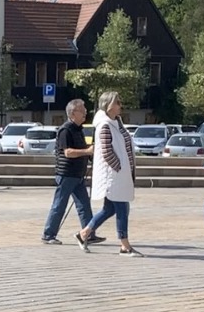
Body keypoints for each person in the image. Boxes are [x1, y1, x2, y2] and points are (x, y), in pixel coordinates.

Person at [76, 91, 142, 256]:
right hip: (114, 176)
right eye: (117, 102)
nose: (120, 105)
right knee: (122, 208)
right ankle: (124, 245)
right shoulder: (104, 125)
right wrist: (119, 168)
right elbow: (106, 151)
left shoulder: (117, 122)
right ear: (109, 105)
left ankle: (84, 233)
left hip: (122, 175)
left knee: (109, 209)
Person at [41, 98, 95, 244]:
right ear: (72, 113)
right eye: (82, 110)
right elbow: (68, 152)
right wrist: (87, 151)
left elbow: (83, 150)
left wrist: (90, 155)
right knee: (59, 205)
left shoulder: (79, 130)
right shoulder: (65, 130)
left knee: (84, 205)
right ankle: (48, 235)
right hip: (67, 174)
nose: (85, 113)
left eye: (84, 110)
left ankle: (88, 234)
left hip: (78, 174)